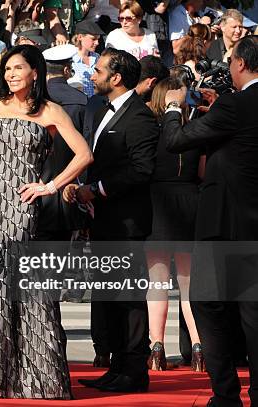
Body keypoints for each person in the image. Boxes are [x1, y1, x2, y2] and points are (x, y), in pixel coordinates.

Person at [0, 44, 92, 399]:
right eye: (7, 70)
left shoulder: (51, 111)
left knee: (25, 287)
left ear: (35, 72)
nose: (11, 75)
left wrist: (49, 186)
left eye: (18, 68)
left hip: (22, 206)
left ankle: (38, 379)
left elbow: (84, 155)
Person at [163, 35, 258, 407]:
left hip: (225, 226)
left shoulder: (234, 105)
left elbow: (178, 141)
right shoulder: (233, 106)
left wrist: (173, 109)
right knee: (252, 311)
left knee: (205, 302)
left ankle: (225, 393)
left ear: (239, 64)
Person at [67, 47, 159, 393]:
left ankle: (135, 370)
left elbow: (141, 169)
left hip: (127, 224)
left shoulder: (139, 117)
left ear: (116, 77)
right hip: (104, 220)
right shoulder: (102, 110)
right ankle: (118, 365)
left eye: (99, 69)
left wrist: (99, 189)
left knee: (129, 298)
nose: (93, 74)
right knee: (110, 296)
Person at [143, 77, 204, 372]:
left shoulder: (150, 132)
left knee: (157, 282)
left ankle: (156, 347)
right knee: (189, 284)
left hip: (157, 203)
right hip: (190, 200)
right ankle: (198, 347)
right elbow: (202, 170)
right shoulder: (194, 131)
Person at [39, 44, 89, 241]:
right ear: (67, 70)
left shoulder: (34, 99)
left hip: (38, 182)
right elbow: (87, 145)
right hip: (71, 181)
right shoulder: (81, 100)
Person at [71, 20, 104, 97]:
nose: (97, 43)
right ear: (80, 37)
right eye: (93, 39)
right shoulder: (70, 59)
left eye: (98, 39)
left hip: (96, 103)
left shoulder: (97, 57)